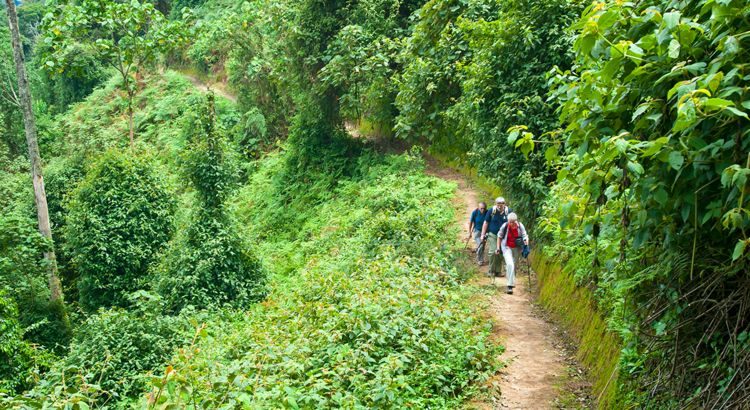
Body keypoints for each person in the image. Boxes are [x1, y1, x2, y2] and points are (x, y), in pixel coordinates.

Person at [496, 213, 529, 294]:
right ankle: (510, 286)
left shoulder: (520, 226)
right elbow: (499, 236)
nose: (511, 223)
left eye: (513, 222)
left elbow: (525, 235)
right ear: (508, 221)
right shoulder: (505, 226)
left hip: (517, 248)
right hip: (507, 247)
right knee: (510, 264)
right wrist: (498, 248)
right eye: (510, 222)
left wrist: (526, 240)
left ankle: (511, 279)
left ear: (516, 221)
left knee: (514, 265)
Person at [481, 197, 511, 277]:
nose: (499, 206)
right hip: (493, 234)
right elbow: (486, 223)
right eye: (498, 204)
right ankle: (491, 270)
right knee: (493, 251)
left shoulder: (508, 212)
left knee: (500, 253)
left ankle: (498, 271)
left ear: (504, 204)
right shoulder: (492, 210)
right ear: (496, 204)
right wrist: (482, 235)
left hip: (504, 236)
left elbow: (511, 224)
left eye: (501, 205)